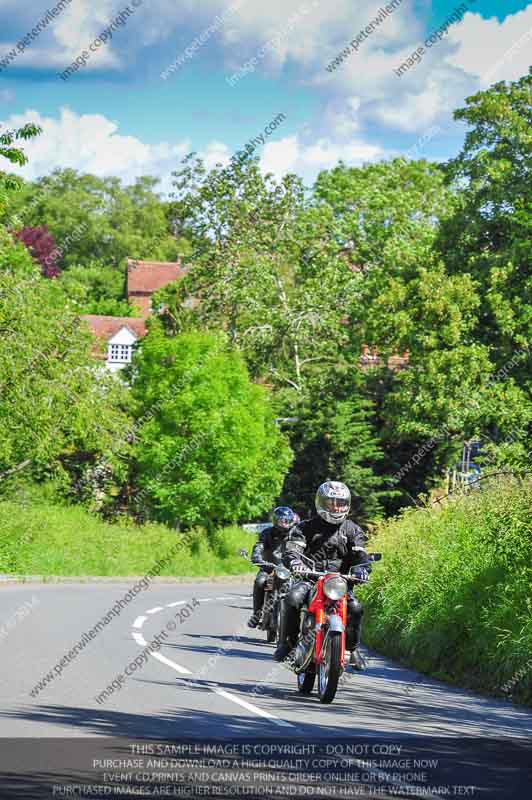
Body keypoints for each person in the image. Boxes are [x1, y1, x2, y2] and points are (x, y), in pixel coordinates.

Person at [273, 481, 368, 669]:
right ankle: (288, 644)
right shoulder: (306, 527)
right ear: (320, 503)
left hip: (339, 583)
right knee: (292, 598)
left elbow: (361, 555)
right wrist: (296, 563)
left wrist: (361, 569)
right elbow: (292, 550)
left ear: (347, 504)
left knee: (355, 608)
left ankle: (352, 648)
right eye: (331, 502)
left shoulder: (352, 529)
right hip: (310, 579)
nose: (336, 506)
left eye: (340, 502)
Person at [247, 506, 298, 628]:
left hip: (290, 569)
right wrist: (256, 556)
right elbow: (259, 545)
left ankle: (298, 622)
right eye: (281, 520)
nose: (284, 523)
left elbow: (303, 548)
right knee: (260, 582)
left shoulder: (295, 533)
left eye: (287, 520)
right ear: (275, 521)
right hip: (269, 568)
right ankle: (257, 615)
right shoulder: (267, 533)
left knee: (300, 589)